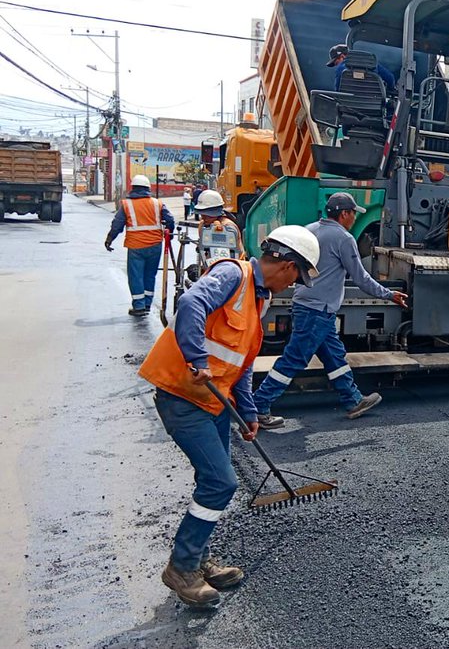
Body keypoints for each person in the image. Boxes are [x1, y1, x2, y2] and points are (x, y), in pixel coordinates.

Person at [138, 225, 321, 607]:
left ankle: (199, 558)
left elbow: (242, 360)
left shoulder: (258, 299)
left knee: (212, 480)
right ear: (287, 266)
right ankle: (182, 567)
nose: (292, 286)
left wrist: (248, 411)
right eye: (296, 278)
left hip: (214, 401)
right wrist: (196, 359)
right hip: (182, 395)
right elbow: (191, 304)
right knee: (221, 482)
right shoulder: (233, 275)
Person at [253, 193, 409, 427]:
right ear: (344, 213)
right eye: (353, 213)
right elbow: (361, 278)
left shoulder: (309, 230)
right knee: (294, 359)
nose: (355, 218)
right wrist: (389, 294)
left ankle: (352, 399)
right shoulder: (343, 238)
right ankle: (259, 404)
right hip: (317, 310)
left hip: (306, 305)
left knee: (334, 357)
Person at [105, 174, 176, 316]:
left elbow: (117, 224)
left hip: (136, 246)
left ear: (133, 188)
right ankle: (147, 304)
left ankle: (139, 306)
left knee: (136, 276)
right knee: (150, 275)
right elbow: (170, 220)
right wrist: (170, 233)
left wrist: (109, 239)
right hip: (155, 245)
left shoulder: (127, 205)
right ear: (148, 188)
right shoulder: (157, 203)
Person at [193, 190, 244, 263]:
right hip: (210, 265)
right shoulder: (202, 225)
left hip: (232, 265)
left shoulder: (228, 226)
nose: (204, 218)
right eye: (202, 215)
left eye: (208, 216)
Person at [328, 43, 396, 93]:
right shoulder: (372, 64)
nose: (337, 66)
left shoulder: (340, 69)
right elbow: (390, 78)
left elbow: (338, 90)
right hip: (374, 104)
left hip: (349, 105)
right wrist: (390, 89)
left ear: (342, 56)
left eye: (336, 63)